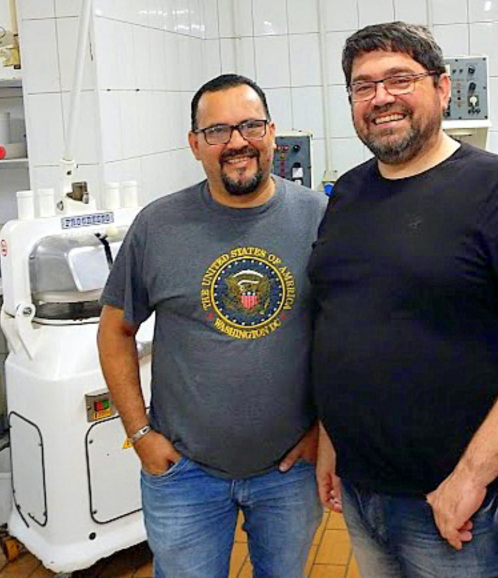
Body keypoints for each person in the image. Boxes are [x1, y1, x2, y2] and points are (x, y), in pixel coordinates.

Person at [308, 22, 498, 578]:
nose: (380, 97)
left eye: (399, 79)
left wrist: (472, 476)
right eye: (363, 86)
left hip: (462, 504)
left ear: (442, 88)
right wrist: (333, 439)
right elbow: (346, 318)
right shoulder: (349, 192)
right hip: (363, 489)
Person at [97, 73, 326, 578]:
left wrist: (323, 431)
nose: (237, 142)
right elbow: (114, 331)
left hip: (291, 471)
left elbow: (344, 335)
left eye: (250, 126)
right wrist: (140, 435)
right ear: (195, 144)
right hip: (184, 474)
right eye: (218, 131)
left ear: (272, 132)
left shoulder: (320, 219)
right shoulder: (158, 226)